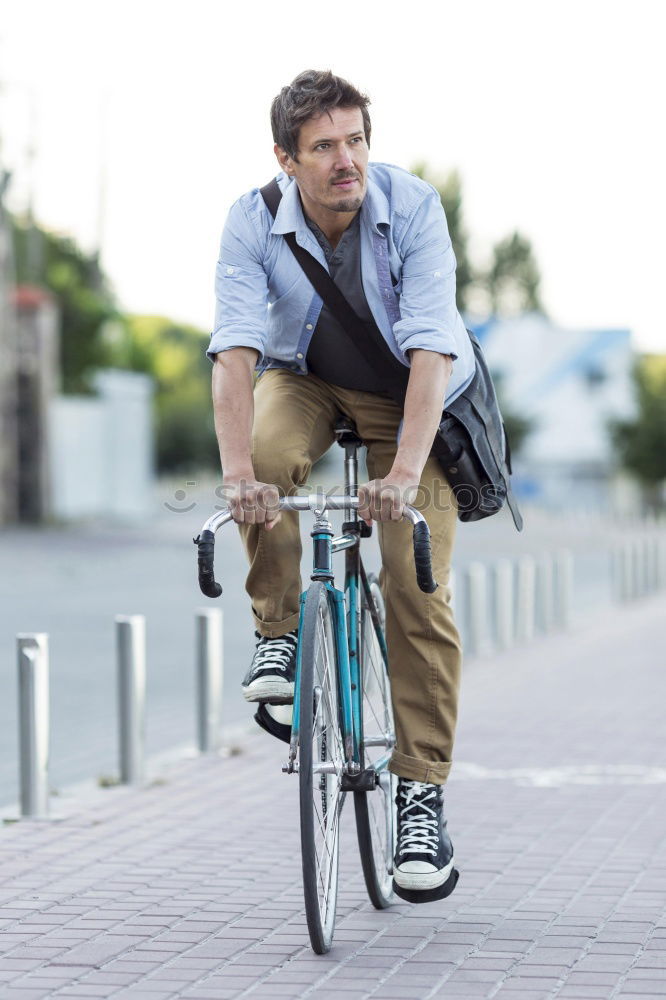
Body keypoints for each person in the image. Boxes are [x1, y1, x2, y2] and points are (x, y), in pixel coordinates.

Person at [208, 69, 476, 901]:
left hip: (411, 393)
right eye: (323, 147)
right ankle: (282, 631)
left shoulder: (415, 207)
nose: (346, 160)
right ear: (287, 159)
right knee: (267, 460)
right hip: (307, 378)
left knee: (415, 577)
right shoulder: (252, 220)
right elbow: (236, 353)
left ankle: (420, 796)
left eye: (355, 140)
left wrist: (401, 476)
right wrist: (237, 477)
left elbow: (433, 348)